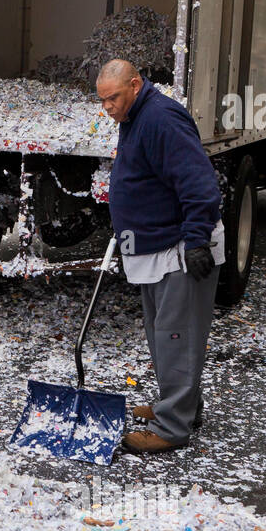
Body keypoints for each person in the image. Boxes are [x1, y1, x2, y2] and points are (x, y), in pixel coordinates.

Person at [97, 58, 224, 453]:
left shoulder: (161, 119)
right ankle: (182, 406)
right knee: (164, 337)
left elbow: (198, 181)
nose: (108, 108)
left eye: (113, 98)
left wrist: (197, 239)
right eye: (102, 102)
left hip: (179, 250)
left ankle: (172, 428)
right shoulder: (135, 117)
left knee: (176, 337)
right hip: (154, 249)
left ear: (135, 85)